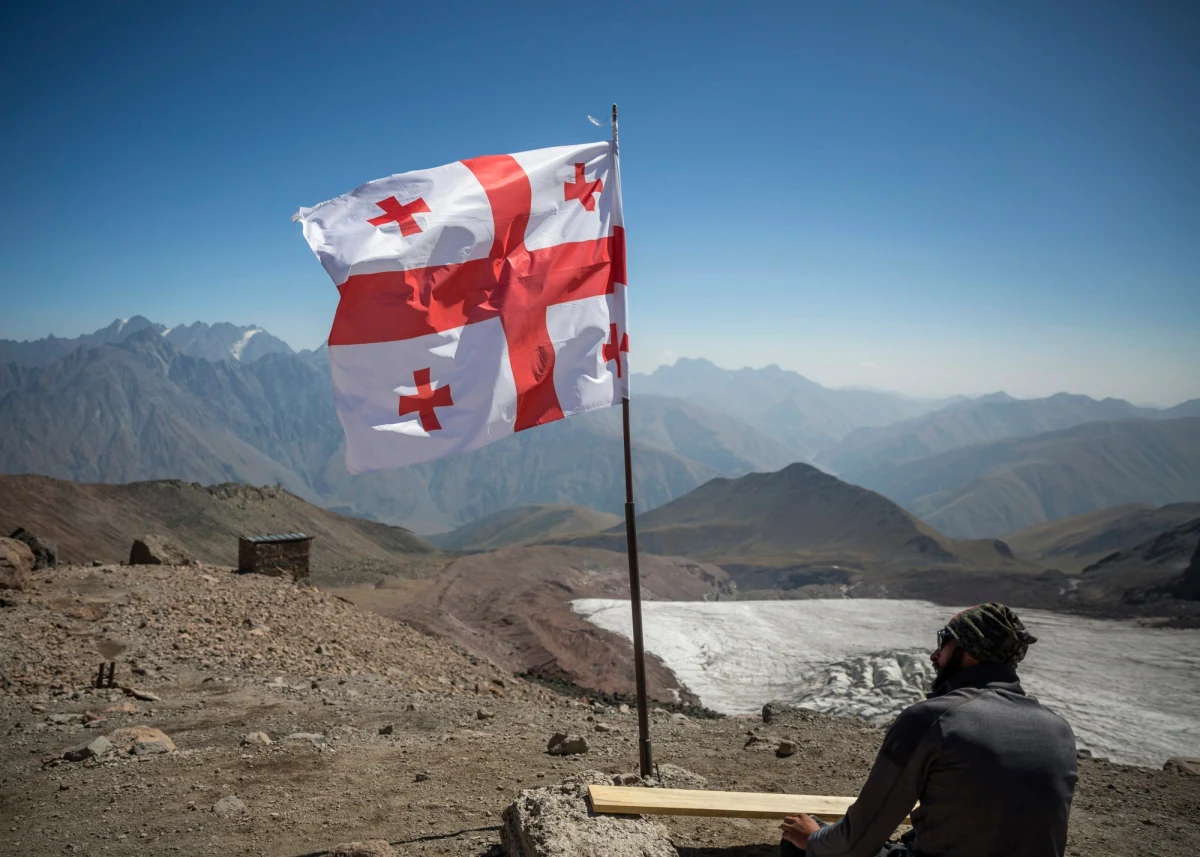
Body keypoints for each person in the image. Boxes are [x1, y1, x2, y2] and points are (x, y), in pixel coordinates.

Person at [779, 603, 1077, 857]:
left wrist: (813, 838)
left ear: (970, 650)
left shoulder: (933, 719)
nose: (935, 655)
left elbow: (858, 840)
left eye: (944, 640)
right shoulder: (1059, 729)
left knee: (802, 838)